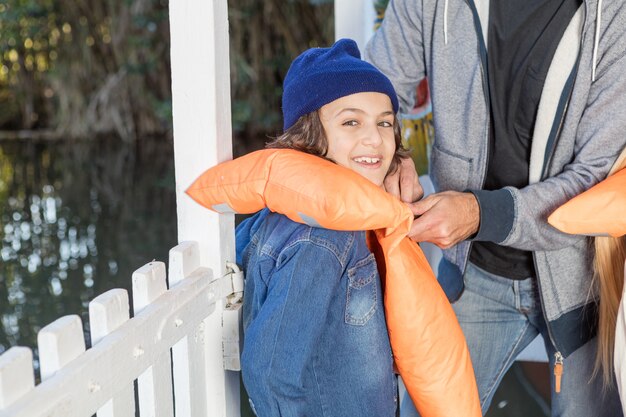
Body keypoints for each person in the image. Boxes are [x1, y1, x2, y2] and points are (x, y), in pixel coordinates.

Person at [365, 0, 626, 415]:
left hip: (583, 279)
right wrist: (390, 151)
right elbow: (374, 85)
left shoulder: (613, 14)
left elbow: (595, 175)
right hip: (473, 272)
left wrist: (479, 213)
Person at [235, 39, 404, 417]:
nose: (374, 138)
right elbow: (271, 371)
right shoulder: (324, 235)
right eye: (351, 122)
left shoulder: (288, 210)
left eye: (384, 123)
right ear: (303, 136)